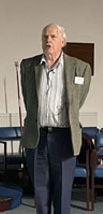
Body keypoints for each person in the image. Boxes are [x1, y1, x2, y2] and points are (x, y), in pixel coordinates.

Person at [20, 23, 92, 214]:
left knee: (62, 197)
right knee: (41, 198)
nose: (48, 41)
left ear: (63, 41)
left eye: (52, 36)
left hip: (64, 138)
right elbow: (29, 100)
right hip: (37, 139)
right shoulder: (28, 66)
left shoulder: (80, 68)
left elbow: (77, 101)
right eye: (45, 37)